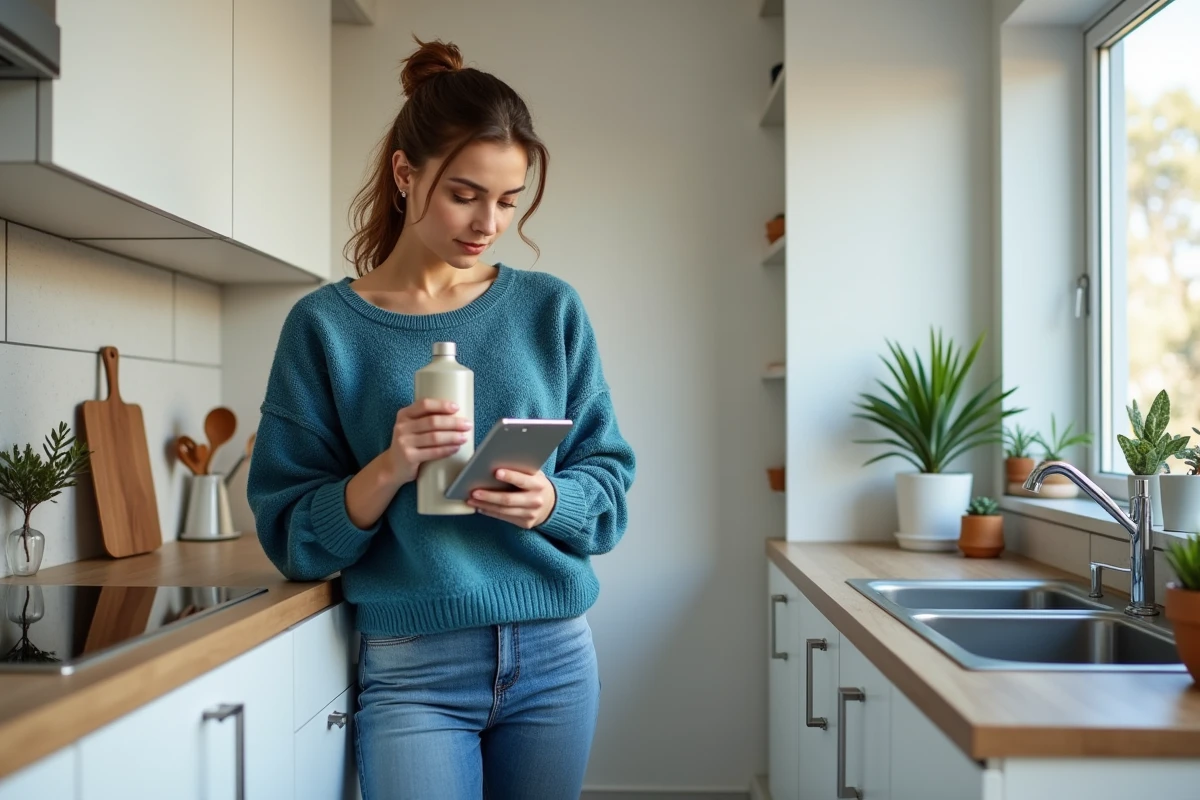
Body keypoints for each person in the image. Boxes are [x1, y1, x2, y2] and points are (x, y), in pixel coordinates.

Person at [246, 35, 636, 800]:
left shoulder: (549, 309)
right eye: (465, 193)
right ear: (405, 174)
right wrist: (390, 466)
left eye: (508, 200)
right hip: (411, 666)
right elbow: (289, 533)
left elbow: (609, 479)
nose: (488, 222)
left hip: (554, 656)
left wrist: (553, 501)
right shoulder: (324, 327)